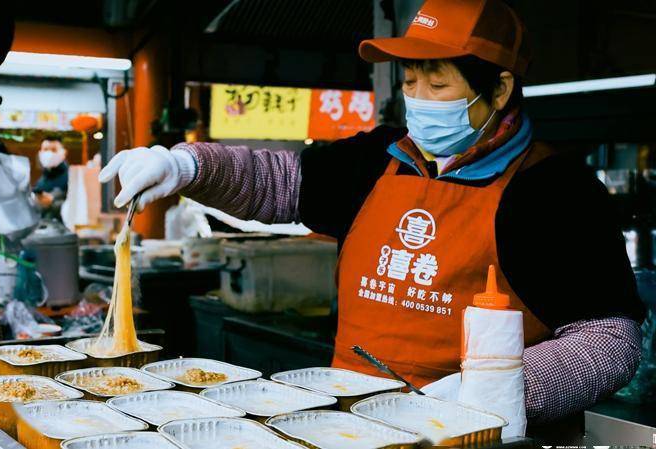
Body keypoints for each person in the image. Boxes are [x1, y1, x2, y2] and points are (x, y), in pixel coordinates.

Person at [99, 0, 645, 424]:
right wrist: (188, 166)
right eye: (410, 81)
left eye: (438, 82)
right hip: (354, 425)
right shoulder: (379, 158)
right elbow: (278, 182)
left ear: (499, 89)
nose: (419, 97)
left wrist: (487, 391)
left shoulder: (554, 191)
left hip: (482, 432)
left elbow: (608, 340)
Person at [33, 135, 68, 217]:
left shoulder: (71, 178)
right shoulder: (42, 178)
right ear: (40, 152)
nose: (49, 153)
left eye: (54, 150)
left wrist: (52, 200)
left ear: (64, 153)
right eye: (45, 149)